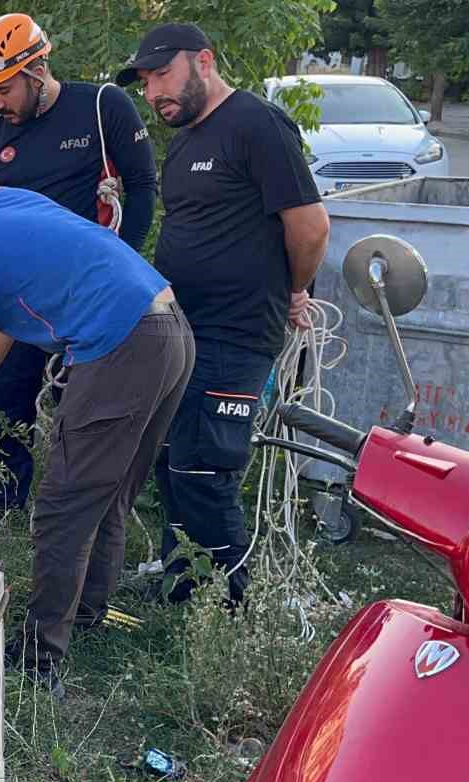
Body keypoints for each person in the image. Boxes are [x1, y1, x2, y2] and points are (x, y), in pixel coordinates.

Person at [0, 152, 194, 697]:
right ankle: (87, 615)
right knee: (109, 492)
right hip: (169, 329)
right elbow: (2, 320)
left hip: (118, 342)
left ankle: (40, 654)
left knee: (62, 505)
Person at [116, 24, 329, 607]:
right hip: (183, 331)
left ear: (204, 62)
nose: (153, 91)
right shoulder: (185, 140)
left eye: (162, 74)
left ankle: (236, 611)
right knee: (170, 460)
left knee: (205, 472)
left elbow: (309, 226)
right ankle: (180, 590)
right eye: (146, 81)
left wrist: (295, 289)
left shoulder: (257, 125)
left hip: (236, 333)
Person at [0, 12, 158, 514]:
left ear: (35, 69)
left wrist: (119, 261)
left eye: (3, 89)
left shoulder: (100, 107)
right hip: (20, 304)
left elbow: (142, 189)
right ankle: (5, 512)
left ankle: (80, 511)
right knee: (8, 407)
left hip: (91, 300)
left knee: (85, 413)